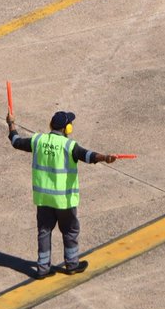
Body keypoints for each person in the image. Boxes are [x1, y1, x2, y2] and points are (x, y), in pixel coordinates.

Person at [6, 109, 117, 279]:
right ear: (67, 128)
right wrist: (106, 157)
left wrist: (11, 123)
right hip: (64, 201)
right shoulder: (69, 146)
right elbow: (88, 156)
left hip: (43, 199)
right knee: (70, 231)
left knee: (44, 231)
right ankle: (72, 264)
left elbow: (16, 142)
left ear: (51, 125)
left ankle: (42, 268)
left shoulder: (38, 140)